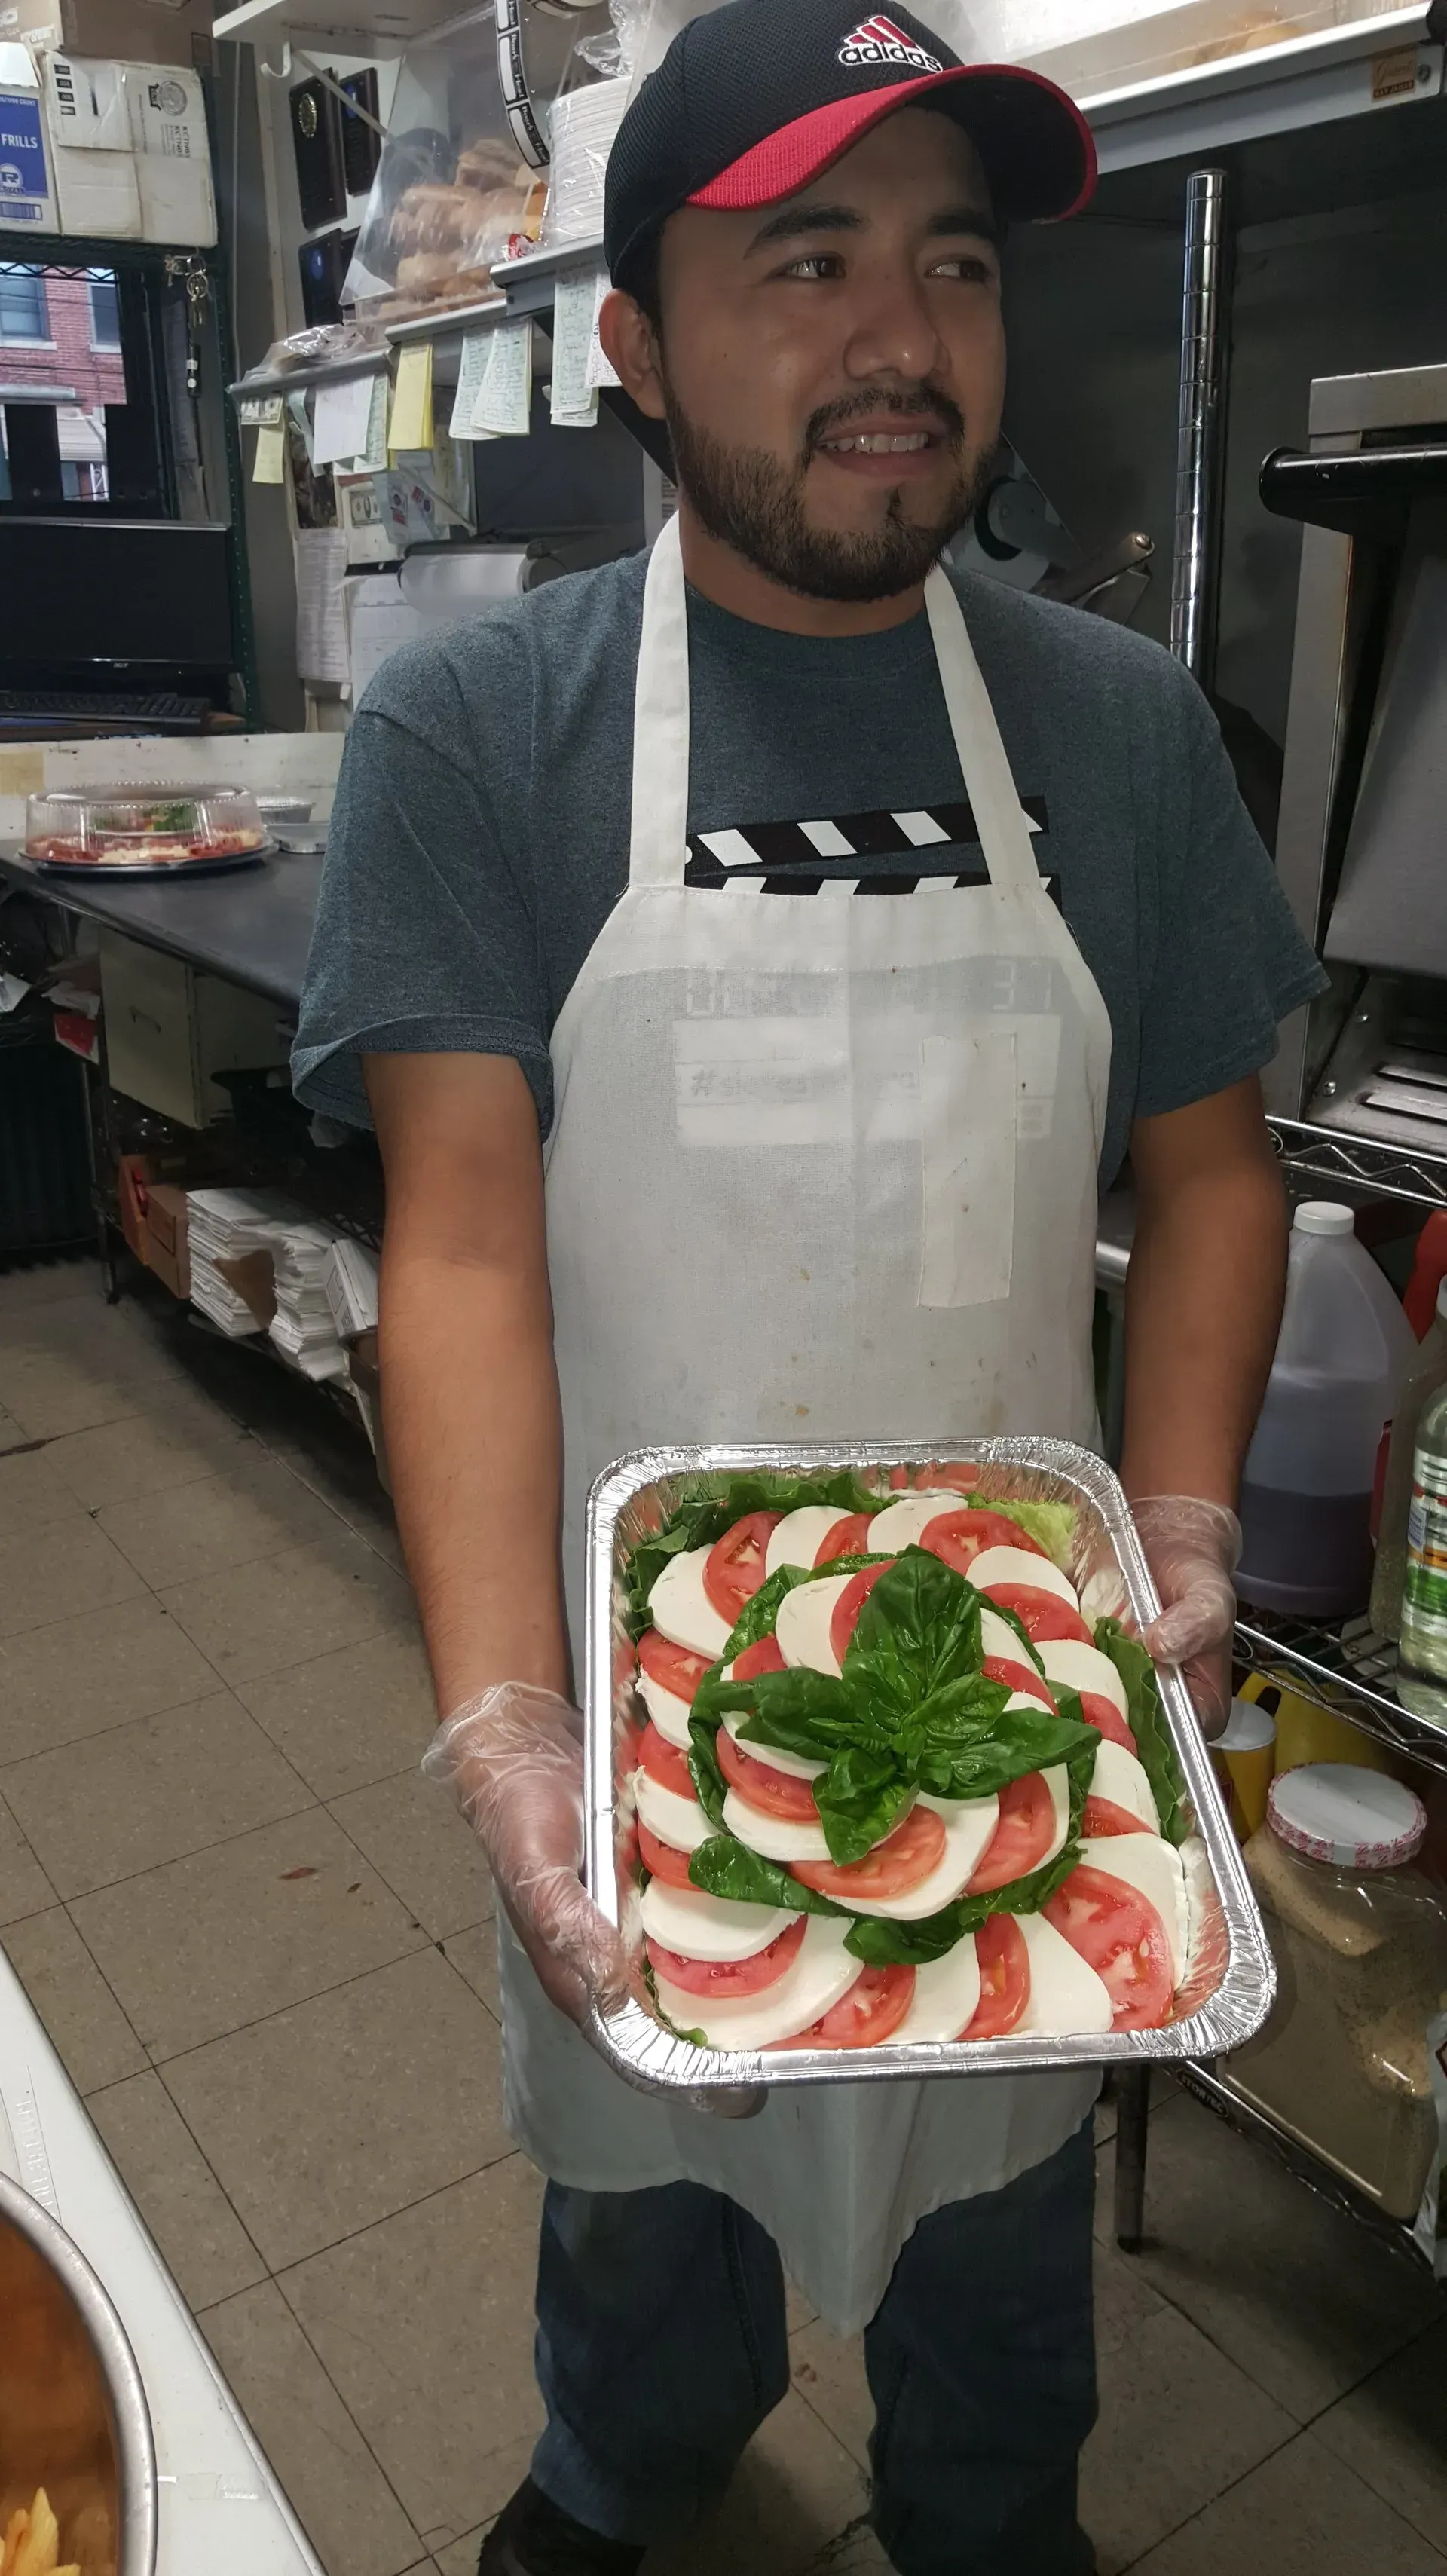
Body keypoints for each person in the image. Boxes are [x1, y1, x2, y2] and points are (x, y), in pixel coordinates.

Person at [292, 5, 1328, 2567]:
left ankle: (987, 2512)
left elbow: (1213, 1178)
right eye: (809, 262)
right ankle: (628, 2460)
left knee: (997, 2222)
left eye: (955, 266)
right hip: (659, 1705)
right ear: (631, 344)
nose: (902, 340)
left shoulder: (1118, 733)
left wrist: (1176, 1528)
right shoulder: (478, 740)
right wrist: (514, 1718)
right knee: (645, 2186)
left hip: (1011, 1672)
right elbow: (457, 1245)